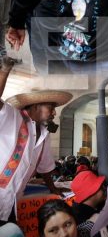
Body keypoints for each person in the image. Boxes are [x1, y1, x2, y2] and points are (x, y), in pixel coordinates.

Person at [0, 59, 71, 226]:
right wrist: (5, 70)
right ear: (34, 106)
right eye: (50, 107)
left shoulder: (45, 134)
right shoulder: (14, 117)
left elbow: (45, 167)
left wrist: (52, 188)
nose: (54, 112)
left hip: (13, 201)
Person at [70, 166, 107, 237]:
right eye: (101, 186)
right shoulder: (81, 219)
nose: (105, 188)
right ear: (92, 191)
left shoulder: (77, 210)